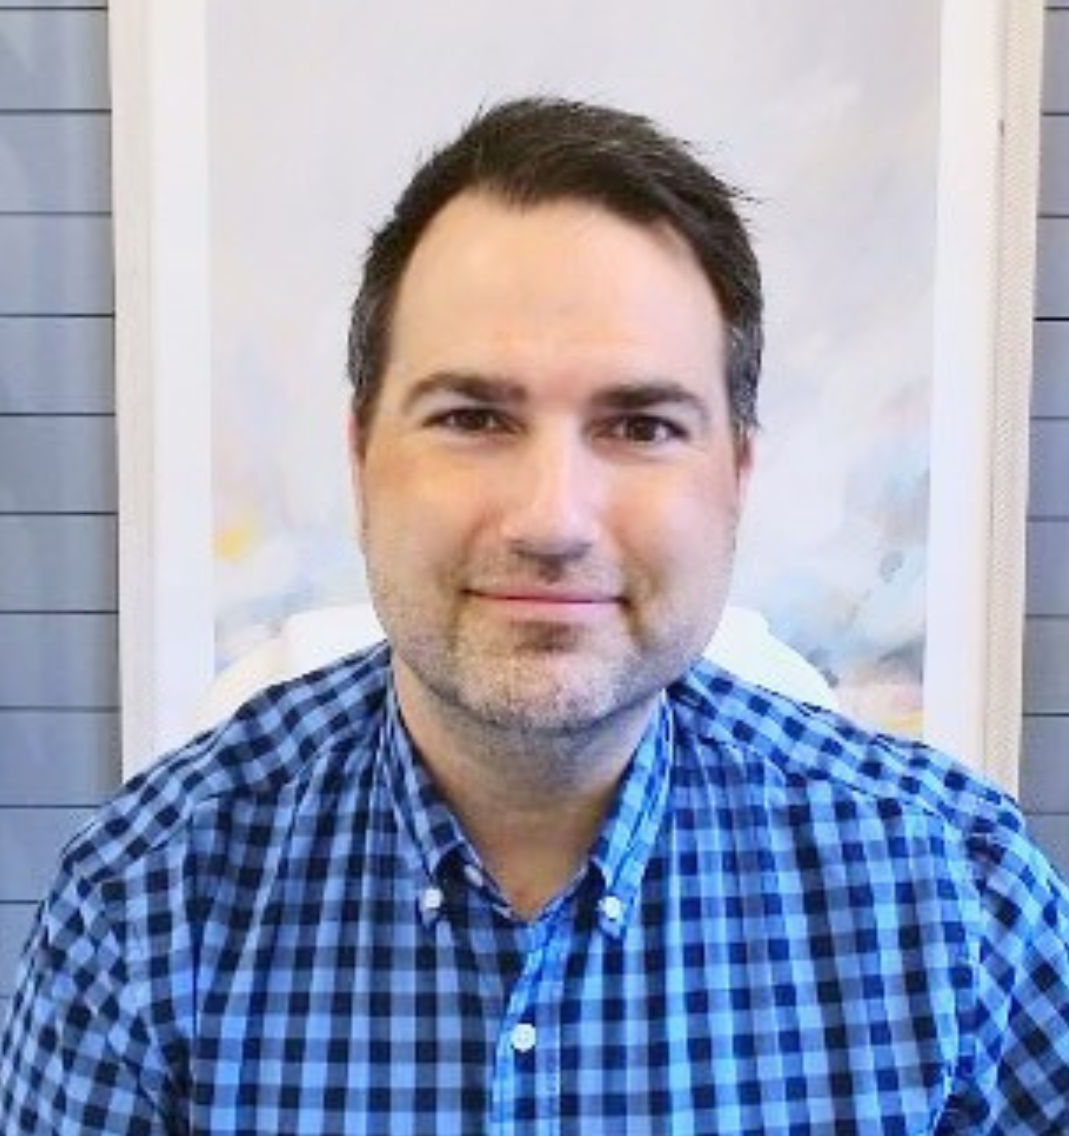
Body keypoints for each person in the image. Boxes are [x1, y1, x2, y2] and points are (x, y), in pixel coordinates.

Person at [2, 97, 1068, 1135]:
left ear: (736, 473)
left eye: (641, 425)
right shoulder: (144, 901)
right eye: (471, 416)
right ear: (362, 455)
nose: (550, 518)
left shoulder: (960, 901)